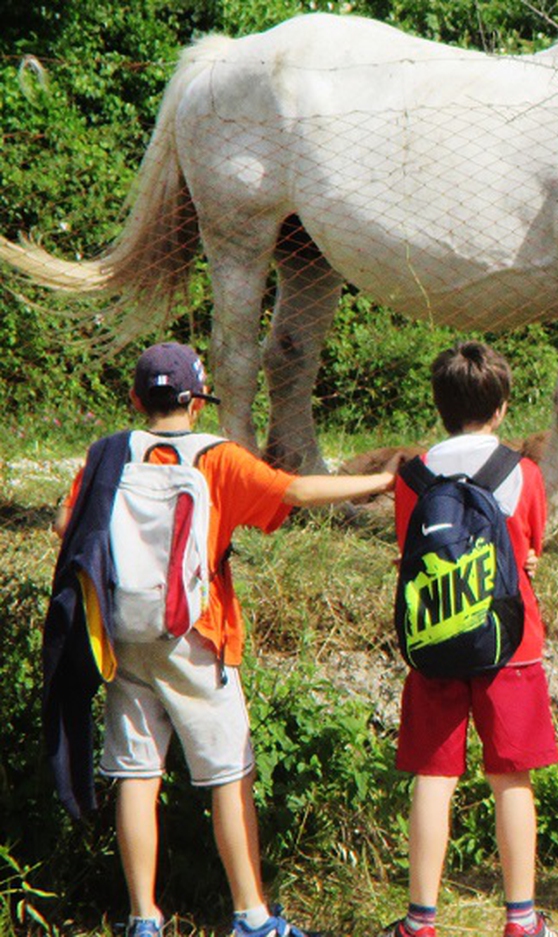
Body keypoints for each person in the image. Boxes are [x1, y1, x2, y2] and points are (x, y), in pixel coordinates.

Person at [51, 342, 397, 937]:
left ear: (136, 399)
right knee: (229, 774)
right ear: (197, 403)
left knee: (137, 776)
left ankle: (143, 918)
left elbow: (65, 526)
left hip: (123, 635)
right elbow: (293, 493)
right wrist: (383, 480)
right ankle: (253, 917)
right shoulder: (219, 458)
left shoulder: (107, 453)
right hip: (198, 636)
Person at [382, 342, 558, 937]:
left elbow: (410, 546)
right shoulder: (522, 473)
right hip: (510, 640)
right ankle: (521, 920)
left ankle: (421, 921)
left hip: (434, 636)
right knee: (511, 777)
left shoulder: (413, 475)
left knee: (435, 777)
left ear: (439, 406)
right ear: (502, 408)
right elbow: (531, 545)